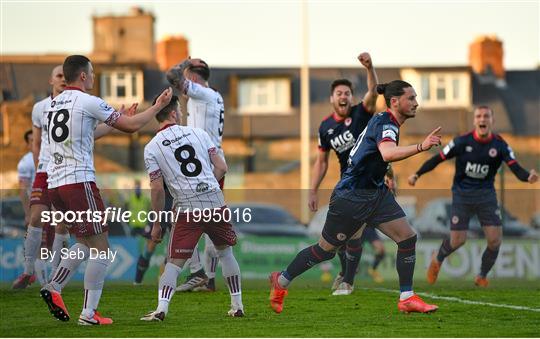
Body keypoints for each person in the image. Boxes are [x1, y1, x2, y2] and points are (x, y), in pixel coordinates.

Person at [269, 80, 441, 314]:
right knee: (325, 250)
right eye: (411, 98)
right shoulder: (385, 122)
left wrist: (386, 175)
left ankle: (407, 297)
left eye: (415, 98)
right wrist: (421, 146)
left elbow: (373, 157)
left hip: (376, 193)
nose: (416, 103)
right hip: (351, 197)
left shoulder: (385, 122)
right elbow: (388, 153)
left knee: (407, 238)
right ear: (394, 101)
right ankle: (281, 281)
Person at [39, 54, 172, 325]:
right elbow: (132, 127)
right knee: (101, 248)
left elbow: (89, 133)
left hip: (56, 186)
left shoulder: (53, 105)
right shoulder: (88, 101)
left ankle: (54, 286)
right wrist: (157, 105)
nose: (95, 77)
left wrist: (118, 118)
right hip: (79, 183)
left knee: (85, 244)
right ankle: (88, 314)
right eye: (93, 72)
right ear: (84, 76)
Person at [140, 95, 244, 321]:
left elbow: (157, 189)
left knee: (174, 264)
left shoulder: (152, 147)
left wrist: (158, 222)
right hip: (215, 202)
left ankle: (161, 309)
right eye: (180, 110)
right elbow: (222, 167)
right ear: (174, 114)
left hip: (187, 208)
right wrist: (210, 189)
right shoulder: (199, 133)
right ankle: (237, 305)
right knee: (226, 253)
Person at [408, 105, 538, 287]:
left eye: (486, 116)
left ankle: (482, 276)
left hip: (486, 196)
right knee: (458, 240)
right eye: (479, 116)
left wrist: (528, 177)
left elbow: (515, 167)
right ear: (474, 120)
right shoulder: (461, 142)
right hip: (462, 195)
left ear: (492, 120)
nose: (482, 119)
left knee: (495, 240)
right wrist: (417, 174)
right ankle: (437, 259)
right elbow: (438, 159)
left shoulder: (500, 145)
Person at [308, 53, 387, 295]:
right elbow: (321, 161)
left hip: (371, 180)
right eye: (339, 93)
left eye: (347, 93)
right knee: (342, 235)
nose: (343, 96)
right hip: (348, 183)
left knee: (356, 233)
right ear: (332, 98)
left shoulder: (362, 113)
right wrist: (312, 189)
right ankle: (345, 275)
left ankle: (347, 281)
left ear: (351, 97)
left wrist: (370, 68)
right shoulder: (325, 127)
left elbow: (373, 92)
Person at [167, 58, 224, 292]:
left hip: (203, 166)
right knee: (210, 222)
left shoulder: (202, 94)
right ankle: (207, 278)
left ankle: (197, 272)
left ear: (192, 77)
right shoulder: (214, 96)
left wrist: (184, 62)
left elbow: (172, 75)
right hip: (212, 162)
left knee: (180, 217)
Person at [12, 66, 70, 289]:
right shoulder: (40, 108)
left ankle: (55, 277)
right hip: (45, 170)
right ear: (51, 80)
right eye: (59, 76)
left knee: (61, 224)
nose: (63, 79)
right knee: (35, 217)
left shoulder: (78, 103)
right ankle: (28, 270)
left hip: (66, 170)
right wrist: (39, 167)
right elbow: (36, 143)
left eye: (66, 76)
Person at [127, 179, 154, 285]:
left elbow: (149, 209)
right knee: (150, 247)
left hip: (144, 225)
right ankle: (138, 280)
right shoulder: (130, 199)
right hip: (134, 226)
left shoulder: (145, 199)